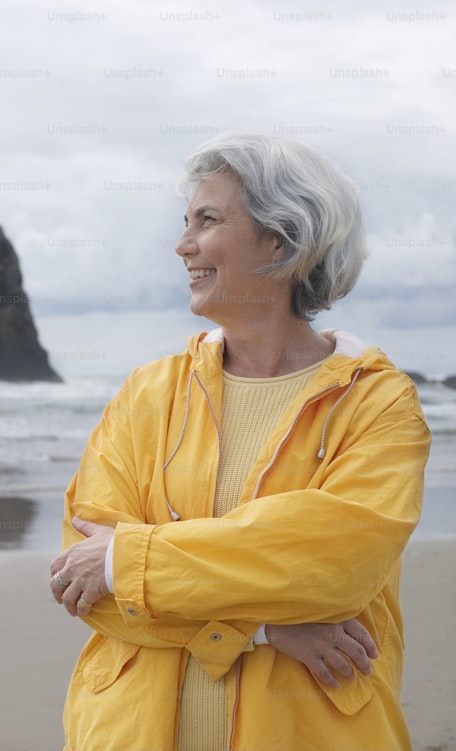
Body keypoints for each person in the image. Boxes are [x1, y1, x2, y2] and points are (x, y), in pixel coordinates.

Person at [50, 133, 431, 750]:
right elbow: (83, 579)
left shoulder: (377, 402)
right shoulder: (147, 394)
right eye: (186, 221)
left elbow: (335, 562)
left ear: (280, 239)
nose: (183, 245)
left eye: (208, 220)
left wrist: (132, 559)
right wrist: (262, 628)